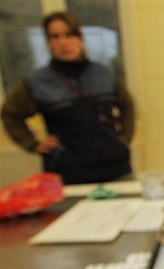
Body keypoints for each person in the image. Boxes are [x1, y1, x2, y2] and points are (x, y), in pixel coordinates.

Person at [1, 11, 135, 185]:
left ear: (80, 38)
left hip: (116, 169)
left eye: (69, 35)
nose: (63, 42)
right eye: (55, 37)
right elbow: (10, 115)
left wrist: (125, 138)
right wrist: (33, 144)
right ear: (49, 42)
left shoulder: (105, 74)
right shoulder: (36, 82)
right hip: (69, 175)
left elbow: (128, 106)